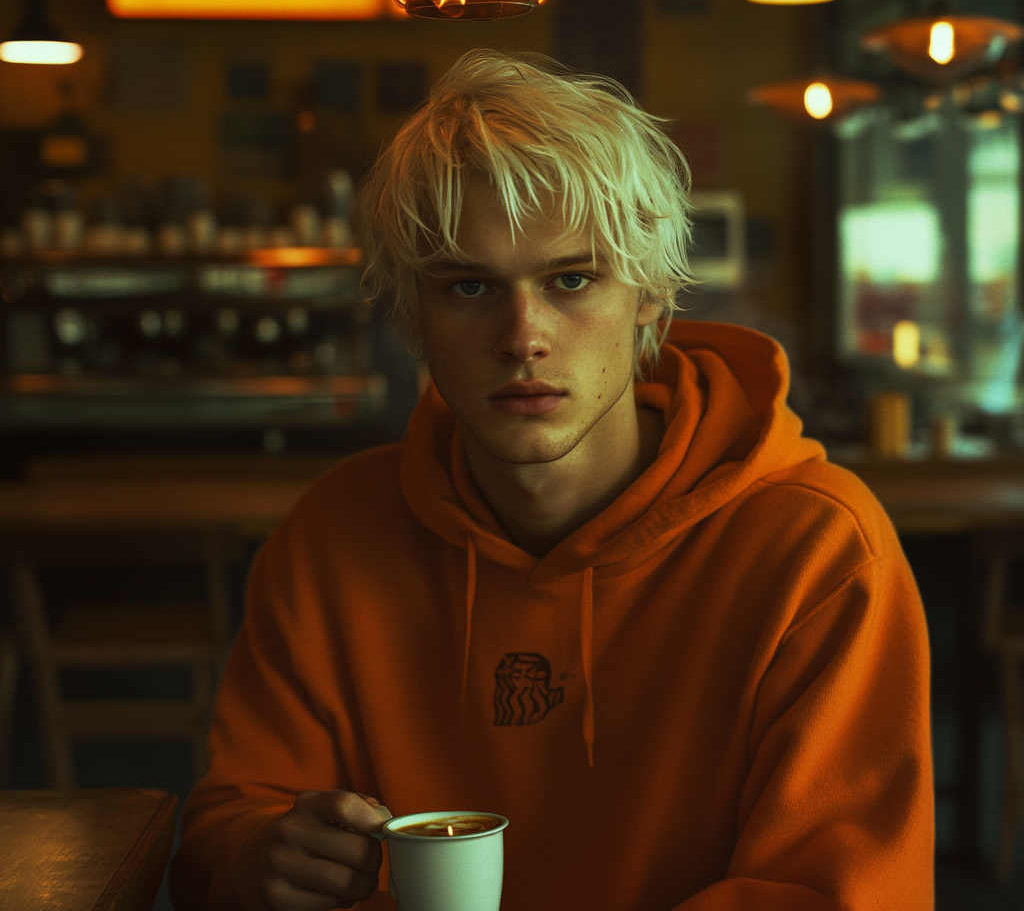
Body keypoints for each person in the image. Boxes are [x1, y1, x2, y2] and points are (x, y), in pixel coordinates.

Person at [170, 49, 933, 911]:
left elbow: (840, 894)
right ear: (411, 312)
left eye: (571, 279)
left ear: (649, 296)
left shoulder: (818, 550)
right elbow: (218, 839)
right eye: (468, 287)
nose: (522, 335)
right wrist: (262, 856)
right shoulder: (333, 535)